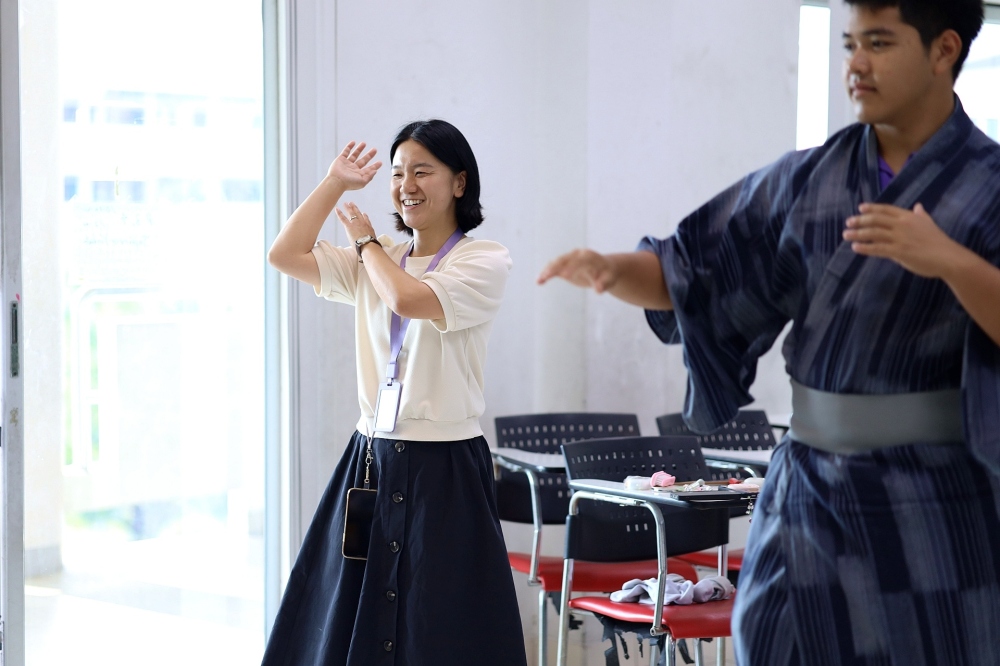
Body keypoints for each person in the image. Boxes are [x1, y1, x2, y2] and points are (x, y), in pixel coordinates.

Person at [539, 1, 1000, 663]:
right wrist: (614, 271)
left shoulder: (990, 187)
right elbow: (698, 268)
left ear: (943, 50)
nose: (857, 64)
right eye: (849, 45)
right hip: (807, 493)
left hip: (930, 495)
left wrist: (949, 260)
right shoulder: (808, 179)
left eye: (879, 43)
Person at [263, 119, 527, 666]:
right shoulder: (378, 257)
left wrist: (364, 243)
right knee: (345, 613)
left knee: (440, 623)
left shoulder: (482, 259)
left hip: (447, 464)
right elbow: (284, 255)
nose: (406, 185)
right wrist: (335, 183)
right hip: (371, 457)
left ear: (459, 182)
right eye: (398, 172)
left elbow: (410, 300)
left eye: (422, 172)